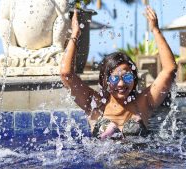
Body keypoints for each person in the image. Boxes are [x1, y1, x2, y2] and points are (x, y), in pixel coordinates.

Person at [60, 6, 177, 140]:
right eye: (115, 79)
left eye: (127, 77)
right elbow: (66, 74)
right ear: (105, 80)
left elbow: (170, 69)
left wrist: (155, 30)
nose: (121, 84)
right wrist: (75, 34)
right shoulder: (94, 104)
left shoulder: (143, 102)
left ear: (133, 78)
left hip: (141, 160)